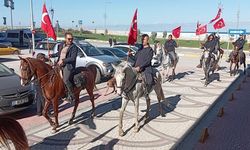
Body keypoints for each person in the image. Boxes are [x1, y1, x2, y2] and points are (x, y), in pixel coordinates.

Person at [50, 32, 78, 103]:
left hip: (68, 66)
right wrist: (51, 55)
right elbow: (59, 54)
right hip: (58, 64)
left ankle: (72, 95)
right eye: (69, 39)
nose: (70, 40)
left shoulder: (74, 47)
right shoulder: (62, 44)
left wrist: (63, 60)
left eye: (72, 39)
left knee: (65, 80)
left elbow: (73, 58)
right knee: (53, 77)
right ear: (65, 39)